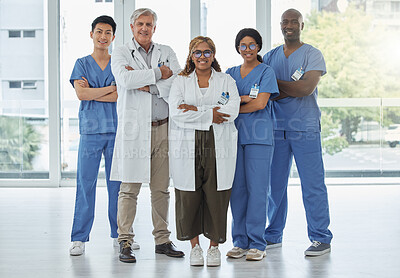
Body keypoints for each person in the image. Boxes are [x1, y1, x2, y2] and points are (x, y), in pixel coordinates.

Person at [110, 8, 184, 263]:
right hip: (135, 128)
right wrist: (157, 74)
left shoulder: (167, 51)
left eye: (149, 24)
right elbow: (123, 78)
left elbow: (177, 82)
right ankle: (125, 241)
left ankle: (162, 240)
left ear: (155, 28)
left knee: (161, 189)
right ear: (132, 27)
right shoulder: (120, 52)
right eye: (140, 24)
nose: (144, 28)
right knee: (129, 188)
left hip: (163, 127)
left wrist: (146, 84)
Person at [263, 8, 333, 256]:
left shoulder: (312, 54)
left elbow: (305, 88)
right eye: (285, 22)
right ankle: (273, 235)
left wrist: (275, 85)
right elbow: (262, 88)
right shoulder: (270, 56)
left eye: (294, 21)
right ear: (280, 26)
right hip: (276, 128)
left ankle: (320, 238)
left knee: (313, 184)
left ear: (302, 25)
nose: (289, 25)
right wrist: (285, 87)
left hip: (306, 127)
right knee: (275, 186)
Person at [169, 36, 240, 267]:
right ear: (191, 55)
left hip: (218, 143)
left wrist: (195, 110)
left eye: (207, 52)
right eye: (197, 52)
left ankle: (214, 248)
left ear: (213, 55)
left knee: (216, 195)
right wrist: (210, 114)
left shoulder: (226, 80)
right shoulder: (180, 82)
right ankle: (195, 247)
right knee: (189, 196)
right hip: (187, 144)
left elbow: (232, 110)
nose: (202, 57)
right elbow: (177, 114)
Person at [225, 28, 279, 261]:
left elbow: (260, 104)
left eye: (252, 45)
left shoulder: (266, 71)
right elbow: (221, 101)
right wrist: (238, 103)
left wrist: (234, 108)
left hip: (259, 138)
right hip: (233, 137)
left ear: (258, 47)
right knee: (237, 190)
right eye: (243, 45)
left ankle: (257, 243)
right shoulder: (229, 73)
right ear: (238, 48)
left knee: (257, 190)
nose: (247, 49)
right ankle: (240, 242)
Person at [69, 15, 121, 256]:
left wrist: (93, 90)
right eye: (99, 31)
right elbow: (82, 95)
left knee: (117, 187)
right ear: (91, 34)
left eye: (108, 32)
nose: (103, 36)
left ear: (113, 36)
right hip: (90, 130)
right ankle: (79, 238)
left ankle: (120, 234)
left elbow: (119, 96)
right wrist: (108, 88)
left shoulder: (118, 64)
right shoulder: (81, 63)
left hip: (115, 129)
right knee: (85, 184)